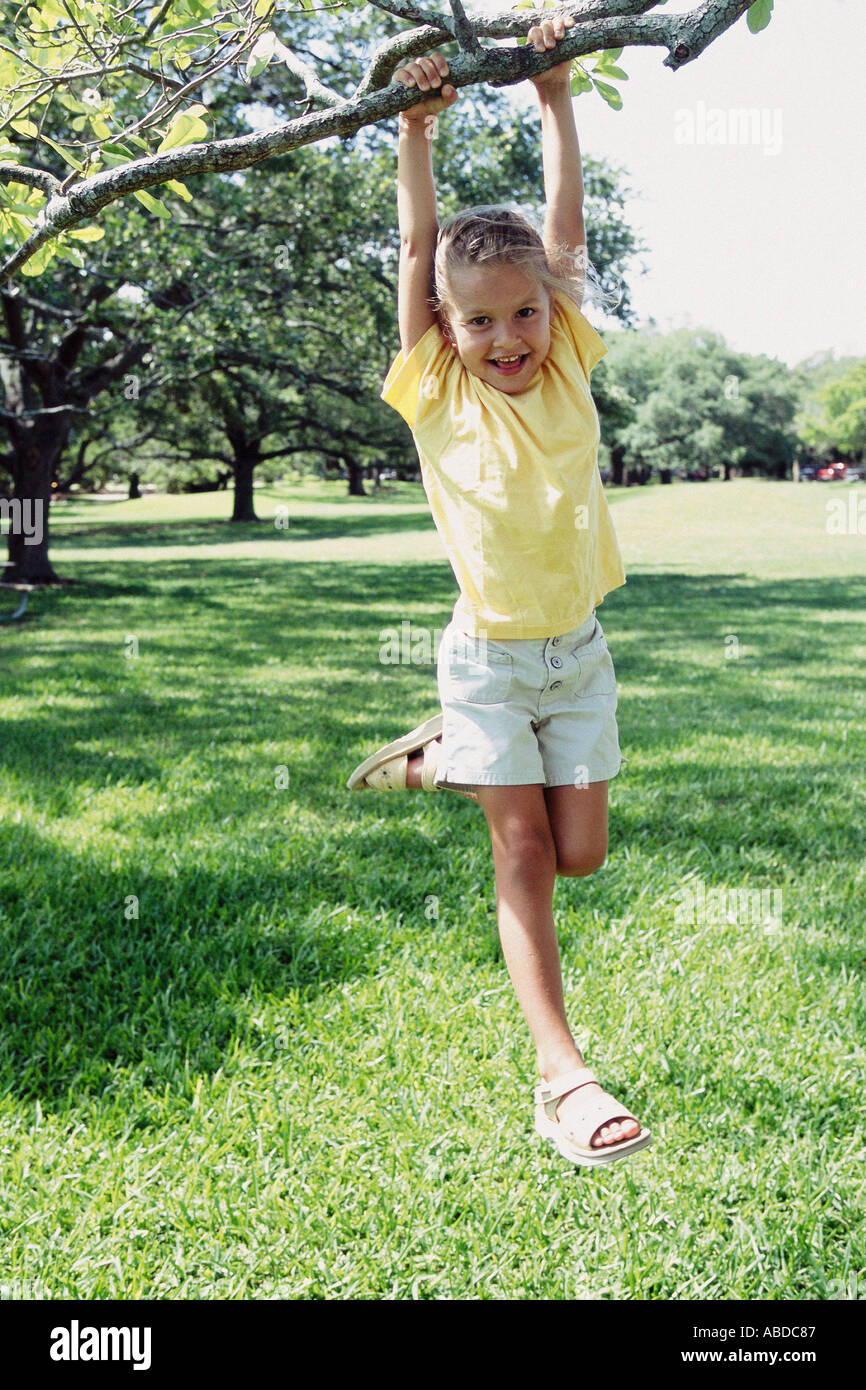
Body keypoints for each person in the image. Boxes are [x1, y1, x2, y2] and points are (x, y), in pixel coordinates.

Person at [347, 15, 652, 1167]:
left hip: (574, 654)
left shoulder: (568, 359)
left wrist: (553, 99)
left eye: (523, 310)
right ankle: (559, 1077)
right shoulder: (437, 389)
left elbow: (561, 233)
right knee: (521, 851)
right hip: (483, 656)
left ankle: (436, 761)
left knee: (582, 854)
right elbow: (414, 244)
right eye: (479, 318)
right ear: (445, 326)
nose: (507, 333)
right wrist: (413, 130)